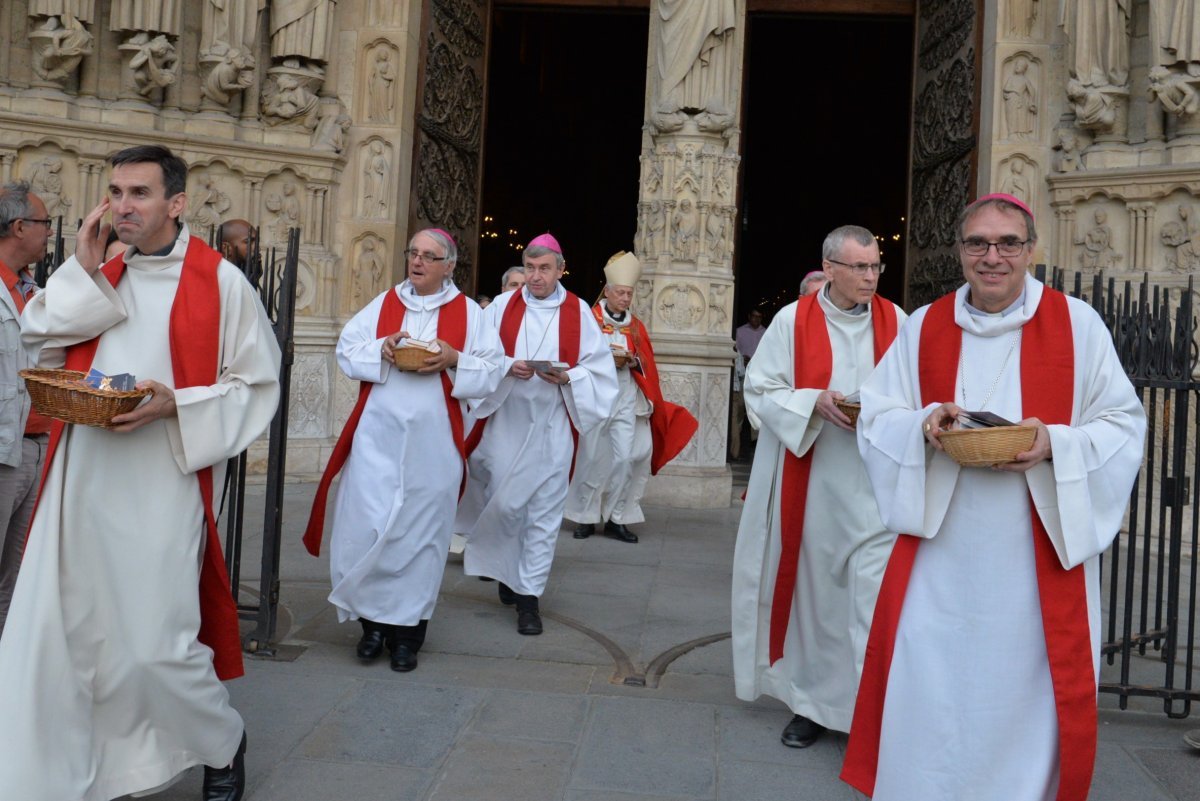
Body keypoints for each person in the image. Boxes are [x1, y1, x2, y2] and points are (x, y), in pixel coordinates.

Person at [0, 145, 281, 801]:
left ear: (176, 203)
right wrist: (84, 269)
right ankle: (88, 765)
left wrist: (174, 403)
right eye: (116, 192)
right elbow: (38, 341)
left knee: (158, 642)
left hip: (161, 476)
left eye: (140, 193)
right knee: (70, 629)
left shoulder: (220, 281)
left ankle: (222, 739)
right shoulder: (104, 271)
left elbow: (257, 384)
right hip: (84, 472)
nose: (123, 206)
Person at [841, 194, 1146, 801]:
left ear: (1031, 250)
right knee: (931, 678)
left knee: (1018, 687)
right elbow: (877, 414)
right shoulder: (925, 324)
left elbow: (1122, 424)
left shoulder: (1077, 324)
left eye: (1008, 243)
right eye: (978, 243)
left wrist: (1052, 442)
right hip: (941, 551)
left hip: (1031, 554)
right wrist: (926, 423)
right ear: (959, 252)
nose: (992, 256)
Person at [731, 225, 906, 750]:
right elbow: (760, 391)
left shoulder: (897, 320)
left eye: (876, 266)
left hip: (876, 487)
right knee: (818, 598)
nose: (871, 277)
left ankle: (864, 710)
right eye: (860, 267)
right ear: (829, 269)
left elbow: (919, 387)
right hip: (816, 481)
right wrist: (814, 403)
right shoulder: (793, 320)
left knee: (870, 599)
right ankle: (811, 706)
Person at [302, 229, 503, 672]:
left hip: (434, 449)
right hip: (377, 441)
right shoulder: (384, 303)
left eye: (429, 257)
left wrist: (454, 358)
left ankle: (409, 635)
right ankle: (372, 628)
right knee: (370, 526)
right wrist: (382, 348)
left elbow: (493, 370)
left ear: (449, 265)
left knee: (420, 536)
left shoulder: (470, 314)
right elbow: (348, 349)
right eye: (413, 253)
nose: (417, 262)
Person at [455, 233, 618, 636]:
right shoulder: (501, 308)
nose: (535, 276)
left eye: (544, 268)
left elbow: (600, 372)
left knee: (543, 515)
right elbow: (476, 355)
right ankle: (507, 572)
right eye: (530, 267)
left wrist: (569, 375)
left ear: (561, 269)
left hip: (552, 427)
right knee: (506, 505)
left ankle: (529, 598)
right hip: (506, 422)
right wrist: (508, 365)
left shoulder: (579, 311)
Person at [564, 251, 697, 544]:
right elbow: (575, 354)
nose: (625, 298)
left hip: (625, 397)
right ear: (608, 291)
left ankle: (616, 518)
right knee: (591, 459)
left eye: (629, 293)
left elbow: (646, 362)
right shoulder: (589, 319)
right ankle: (585, 517)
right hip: (596, 398)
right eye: (621, 293)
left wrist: (634, 362)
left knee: (626, 459)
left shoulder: (636, 326)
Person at [0, 181, 52, 639]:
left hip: (36, 446)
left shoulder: (35, 290)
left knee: (17, 578)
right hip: (1, 450)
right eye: (44, 223)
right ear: (19, 227)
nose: (49, 233)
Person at [730, 308, 766, 457]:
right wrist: (741, 358)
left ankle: (756, 441)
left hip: (759, 374)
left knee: (757, 407)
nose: (756, 320)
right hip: (742, 374)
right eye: (754, 316)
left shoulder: (767, 332)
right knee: (739, 408)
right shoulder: (739, 331)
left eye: (759, 317)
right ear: (749, 316)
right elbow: (734, 350)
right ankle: (735, 441)